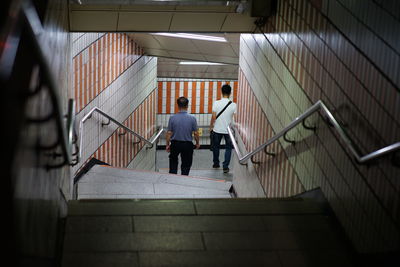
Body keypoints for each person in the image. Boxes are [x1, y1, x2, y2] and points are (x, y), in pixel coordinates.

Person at [166, 96, 200, 175]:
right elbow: (196, 133)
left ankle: (173, 177)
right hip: (187, 144)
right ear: (187, 106)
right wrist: (197, 143)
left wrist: (167, 144)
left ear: (177, 106)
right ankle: (184, 178)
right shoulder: (192, 118)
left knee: (173, 161)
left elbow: (169, 133)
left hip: (175, 144)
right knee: (186, 163)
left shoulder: (172, 118)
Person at [209, 84, 237, 173]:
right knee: (228, 148)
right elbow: (235, 118)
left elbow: (213, 117)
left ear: (221, 92)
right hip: (228, 131)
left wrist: (211, 127)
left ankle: (216, 164)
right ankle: (225, 166)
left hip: (217, 129)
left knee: (216, 147)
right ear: (230, 93)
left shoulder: (216, 103)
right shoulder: (233, 105)